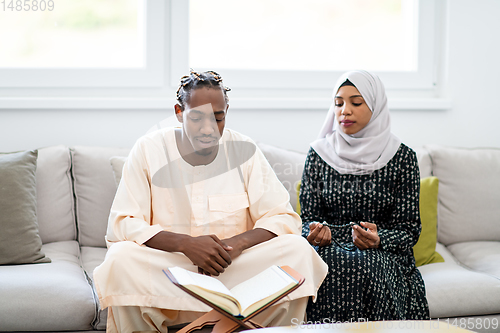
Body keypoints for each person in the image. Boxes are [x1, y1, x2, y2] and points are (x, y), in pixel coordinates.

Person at [93, 70, 328, 333]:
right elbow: (124, 223)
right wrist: (185, 244)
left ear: (227, 111)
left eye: (218, 118)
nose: (208, 129)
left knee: (297, 249)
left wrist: (236, 244)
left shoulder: (244, 149)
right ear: (179, 112)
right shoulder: (148, 149)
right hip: (172, 271)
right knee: (121, 258)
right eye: (196, 118)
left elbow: (282, 217)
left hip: (233, 270)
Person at [300, 70, 430, 323]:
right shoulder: (318, 154)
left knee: (366, 266)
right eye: (338, 103)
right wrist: (314, 232)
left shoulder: (402, 158)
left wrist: (379, 238)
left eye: (356, 103)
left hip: (384, 253)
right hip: (330, 249)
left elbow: (409, 229)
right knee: (331, 267)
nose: (344, 111)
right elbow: (306, 219)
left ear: (376, 106)